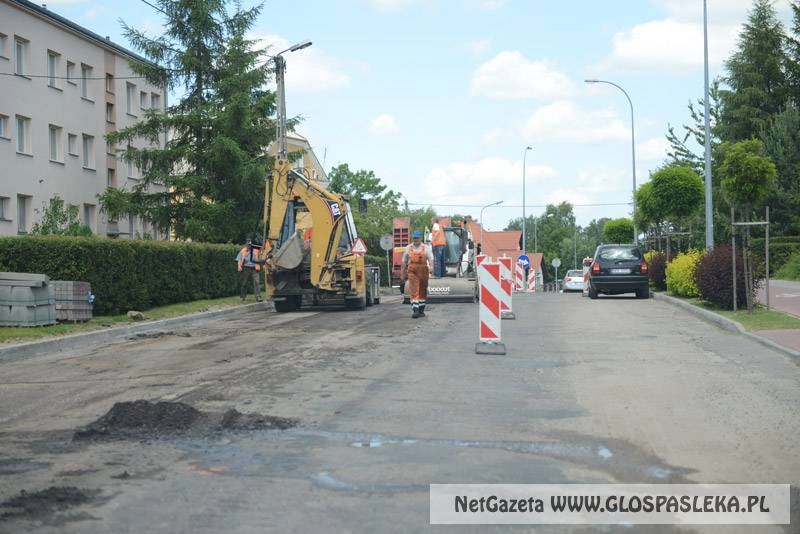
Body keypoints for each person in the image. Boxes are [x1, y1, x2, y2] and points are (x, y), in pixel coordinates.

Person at [401, 230, 433, 319]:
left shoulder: (426, 248)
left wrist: (431, 267)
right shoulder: (408, 248)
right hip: (412, 272)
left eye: (417, 238)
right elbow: (404, 261)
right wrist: (402, 273)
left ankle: (421, 310)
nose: (416, 240)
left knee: (423, 290)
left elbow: (431, 258)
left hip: (423, 272)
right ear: (412, 238)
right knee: (414, 289)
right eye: (414, 238)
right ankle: (415, 310)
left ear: (420, 238)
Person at [236, 238, 265, 302]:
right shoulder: (243, 251)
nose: (249, 245)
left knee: (257, 282)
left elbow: (260, 257)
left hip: (255, 268)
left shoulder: (256, 250)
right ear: (246, 244)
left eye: (250, 244)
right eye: (248, 244)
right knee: (244, 283)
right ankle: (242, 297)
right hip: (246, 268)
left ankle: (258, 297)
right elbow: (239, 259)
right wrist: (239, 266)